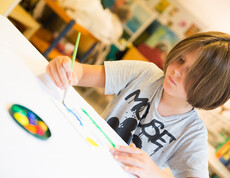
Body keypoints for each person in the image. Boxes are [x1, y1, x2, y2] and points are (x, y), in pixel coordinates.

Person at [46, 31, 230, 178]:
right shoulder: (143, 73)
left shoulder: (192, 133)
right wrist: (67, 68)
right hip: (83, 155)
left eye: (194, 74)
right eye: (180, 59)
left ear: (210, 89)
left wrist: (154, 174)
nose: (176, 71)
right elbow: (82, 73)